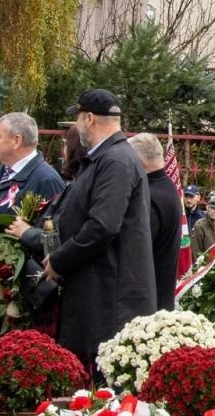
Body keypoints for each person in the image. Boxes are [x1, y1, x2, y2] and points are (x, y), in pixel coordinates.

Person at [29, 89, 155, 370]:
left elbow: (103, 225)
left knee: (98, 387)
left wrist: (59, 260)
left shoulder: (115, 160)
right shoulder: (104, 158)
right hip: (97, 292)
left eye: (77, 119)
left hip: (109, 300)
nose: (75, 127)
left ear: (88, 119)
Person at [0, 111, 64, 228]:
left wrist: (26, 233)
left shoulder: (47, 180)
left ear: (16, 141)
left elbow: (52, 232)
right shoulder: (0, 172)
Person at [128, 132, 182, 311]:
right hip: (158, 297)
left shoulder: (150, 197)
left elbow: (134, 249)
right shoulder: (166, 187)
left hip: (147, 303)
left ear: (138, 162)